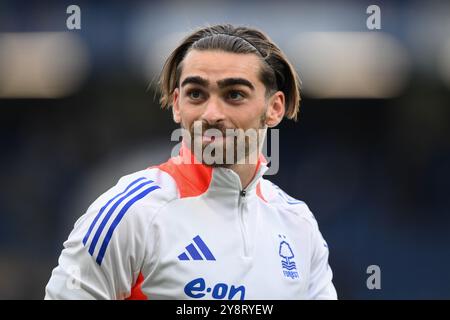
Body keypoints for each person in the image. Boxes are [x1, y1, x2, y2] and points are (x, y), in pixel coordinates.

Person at [45, 24, 337, 300]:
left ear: (274, 109)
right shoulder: (132, 213)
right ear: (176, 105)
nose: (211, 113)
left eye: (234, 95)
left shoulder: (299, 225)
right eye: (196, 94)